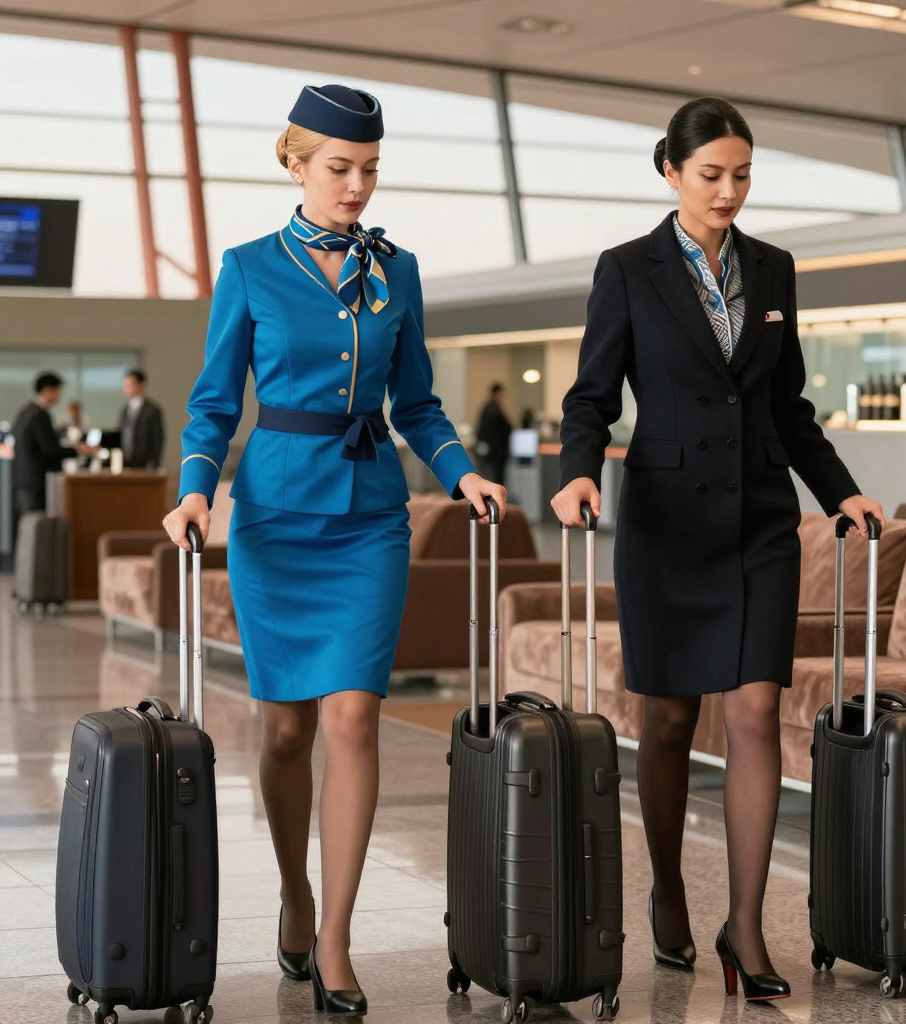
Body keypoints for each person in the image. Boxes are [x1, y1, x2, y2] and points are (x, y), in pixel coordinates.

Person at [161, 83, 505, 1016]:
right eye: (340, 169)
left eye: (370, 170)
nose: (358, 186)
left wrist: (462, 471)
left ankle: (338, 937)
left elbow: (418, 404)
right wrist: (196, 487)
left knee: (353, 717)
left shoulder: (400, 270)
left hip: (369, 518)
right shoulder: (248, 267)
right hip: (275, 516)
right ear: (295, 164)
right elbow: (213, 403)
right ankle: (294, 889)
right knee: (284, 729)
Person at [551, 98, 884, 1003]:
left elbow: (789, 406)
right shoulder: (627, 270)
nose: (729, 191)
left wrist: (840, 489)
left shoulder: (774, 270)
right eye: (712, 174)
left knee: (752, 712)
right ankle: (666, 886)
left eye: (742, 174)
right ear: (671, 171)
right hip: (664, 527)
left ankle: (745, 926)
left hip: (760, 525)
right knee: (665, 720)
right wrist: (580, 471)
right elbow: (590, 400)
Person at [12, 373, 90, 521]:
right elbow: (50, 449)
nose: (59, 397)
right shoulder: (39, 415)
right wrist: (77, 450)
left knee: (29, 528)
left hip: (24, 480)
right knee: (38, 528)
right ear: (48, 390)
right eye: (58, 391)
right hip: (36, 482)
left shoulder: (26, 411)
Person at [120, 368, 165, 469]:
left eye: (130, 385)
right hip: (127, 462)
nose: (126, 388)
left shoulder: (152, 410)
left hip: (146, 463)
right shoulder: (125, 410)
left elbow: (157, 438)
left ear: (141, 385)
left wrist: (153, 461)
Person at [475, 382, 513, 485]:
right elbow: (506, 428)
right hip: (495, 452)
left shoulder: (488, 408)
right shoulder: (494, 410)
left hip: (491, 451)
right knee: (494, 478)